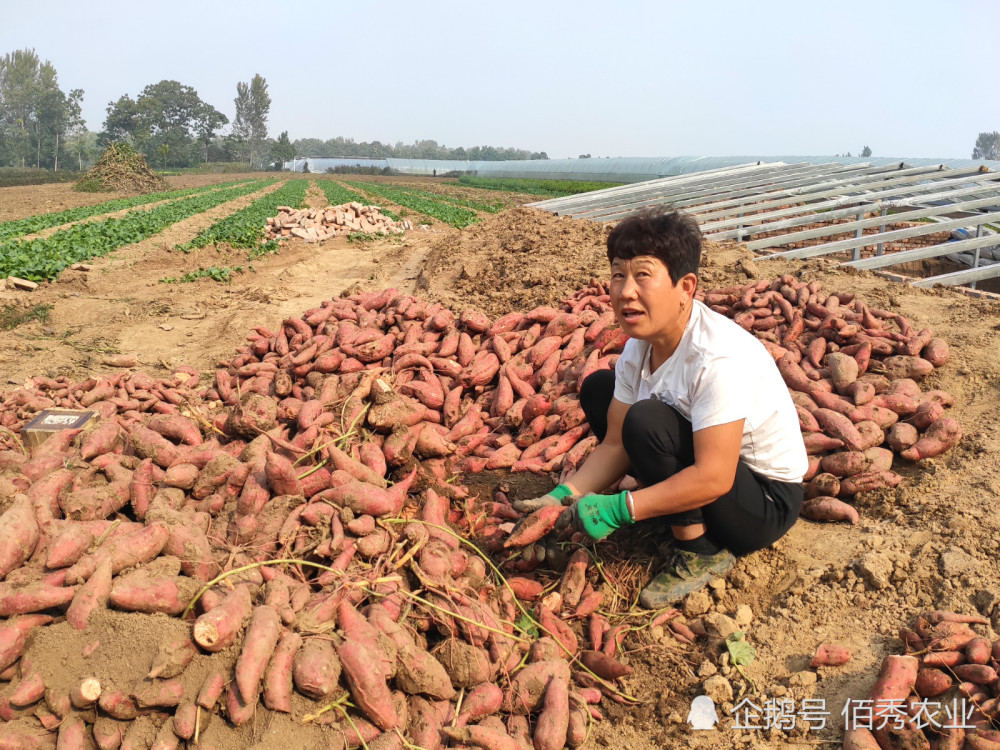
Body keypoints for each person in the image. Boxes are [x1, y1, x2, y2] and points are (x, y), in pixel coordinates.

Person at [514, 210, 808, 608]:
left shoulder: (714, 357)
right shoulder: (641, 343)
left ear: (686, 286)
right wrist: (564, 495)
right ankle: (666, 506)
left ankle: (699, 551)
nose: (625, 292)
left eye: (642, 276)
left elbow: (715, 477)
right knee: (600, 389)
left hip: (761, 502)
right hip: (713, 475)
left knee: (647, 420)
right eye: (618, 275)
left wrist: (622, 507)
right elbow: (616, 443)